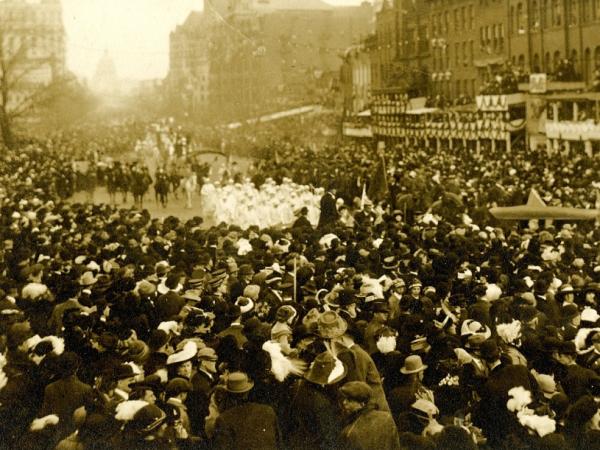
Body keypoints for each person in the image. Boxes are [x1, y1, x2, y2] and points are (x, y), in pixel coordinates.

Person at [211, 372, 281, 450]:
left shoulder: (224, 419)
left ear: (228, 394)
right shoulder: (268, 411)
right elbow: (279, 443)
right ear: (247, 392)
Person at [339, 381, 400, 450]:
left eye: (349, 400)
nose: (344, 402)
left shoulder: (349, 433)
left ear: (362, 403)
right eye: (344, 398)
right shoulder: (387, 417)